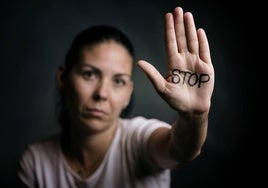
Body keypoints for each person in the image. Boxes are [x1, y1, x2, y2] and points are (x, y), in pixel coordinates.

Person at [16, 6, 215, 188]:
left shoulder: (138, 140)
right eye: (89, 74)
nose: (102, 94)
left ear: (128, 93)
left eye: (118, 81)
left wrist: (195, 116)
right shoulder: (36, 162)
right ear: (62, 78)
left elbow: (179, 151)